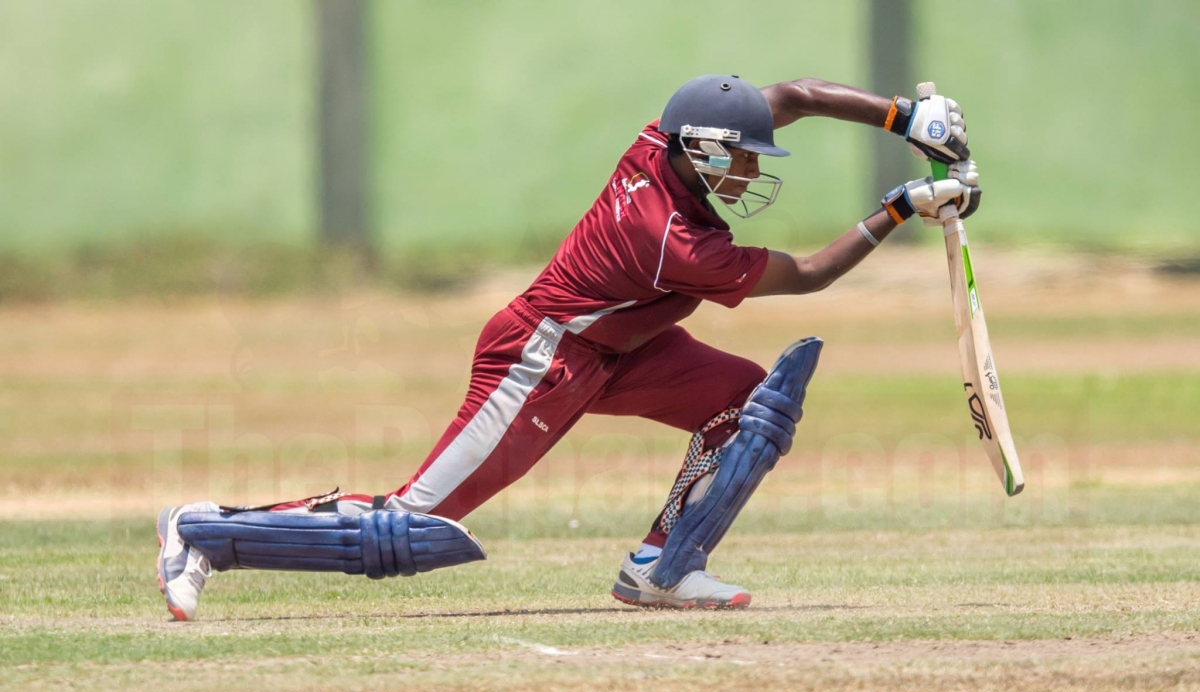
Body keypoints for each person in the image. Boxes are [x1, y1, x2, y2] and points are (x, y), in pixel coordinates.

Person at [156, 75, 980, 621]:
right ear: (700, 152)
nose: (750, 172)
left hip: (622, 350)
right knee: (408, 528)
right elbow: (809, 274)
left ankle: (662, 566)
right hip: (542, 359)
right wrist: (903, 206)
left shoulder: (660, 140)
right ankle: (203, 531)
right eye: (742, 160)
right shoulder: (673, 241)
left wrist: (903, 118)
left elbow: (793, 95)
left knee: (743, 402)